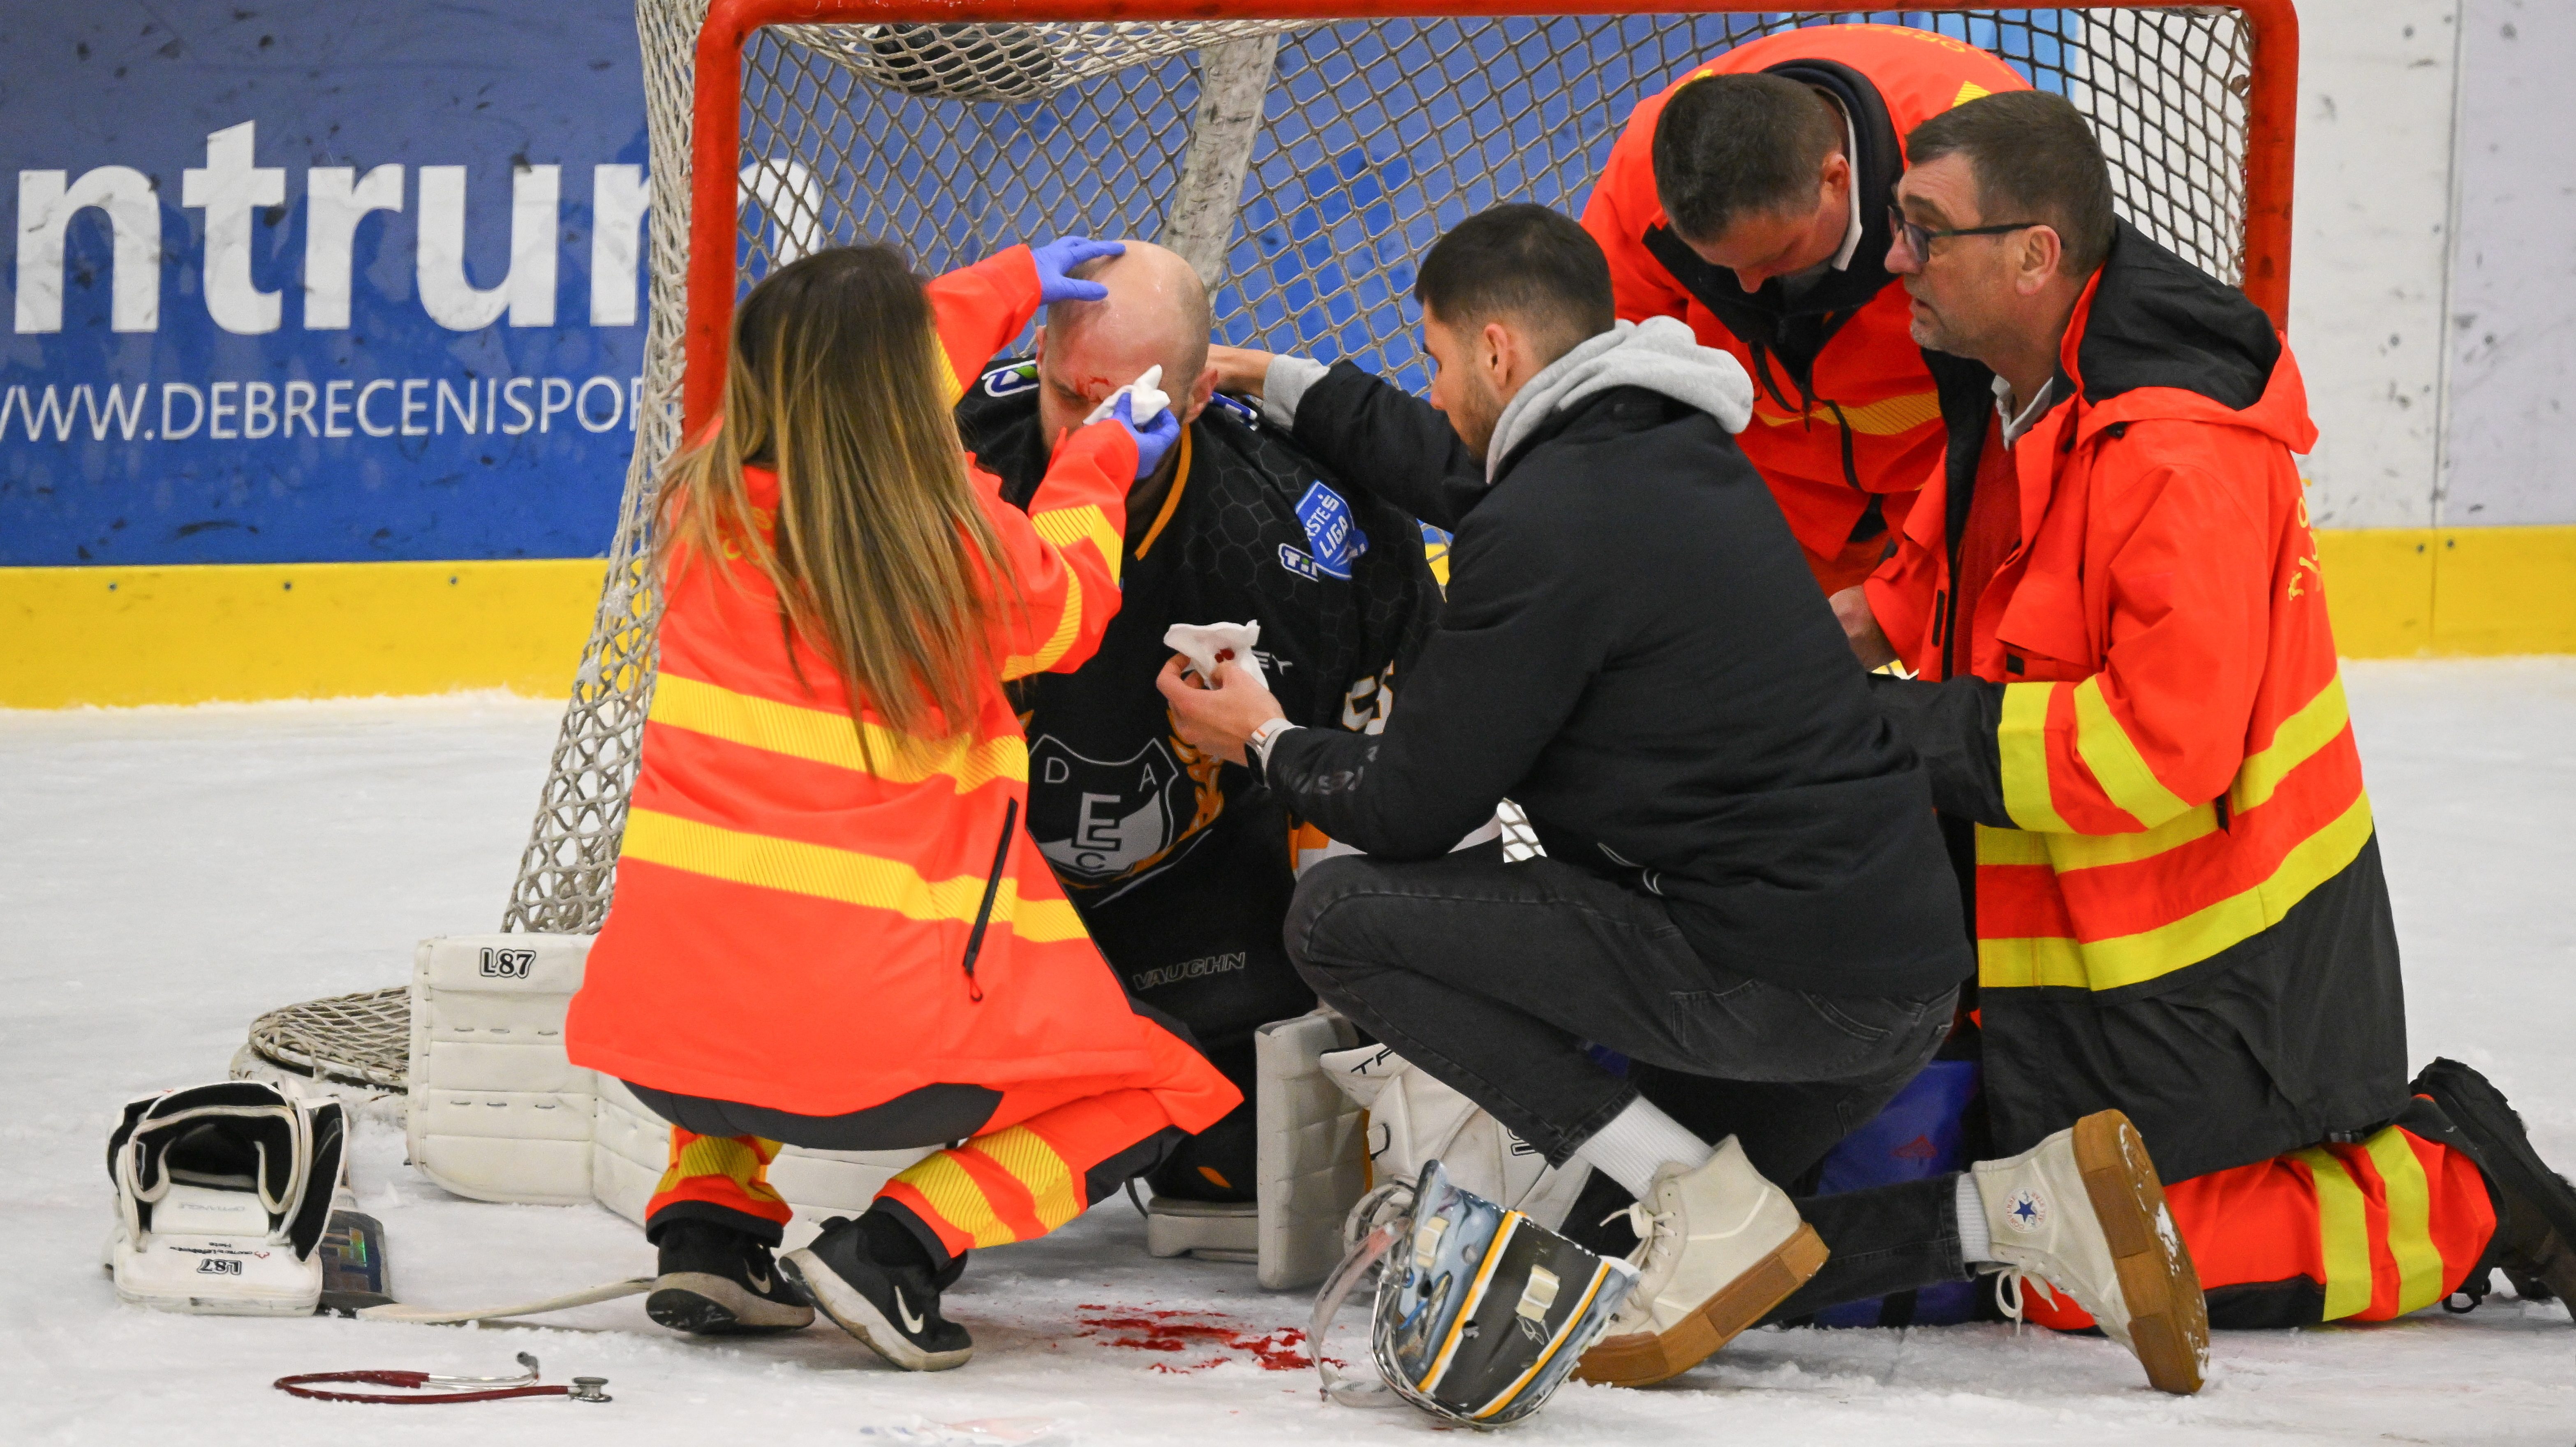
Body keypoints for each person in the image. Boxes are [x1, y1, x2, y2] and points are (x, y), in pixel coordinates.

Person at [1179, 202, 2207, 1394]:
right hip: (1899, 967)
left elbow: (1406, 809)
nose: (1439, 384)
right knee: (1636, 1250)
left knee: (1340, 920)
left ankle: (1696, 1202)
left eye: (1438, 357)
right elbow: (1464, 468)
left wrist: (1265, 737)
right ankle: (2015, 1212)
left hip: (1779, 976)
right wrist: (1283, 381)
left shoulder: (1547, 525)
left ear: (1501, 354)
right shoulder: (1655, 449)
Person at [1824, 89, 2576, 1332]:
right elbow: (1937, 583)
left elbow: (2156, 750)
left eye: (1921, 230)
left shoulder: (2178, 454)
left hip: (2224, 968)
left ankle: (2454, 1186)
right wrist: (1760, 659)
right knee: (2020, 1217)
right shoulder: (2014, 386)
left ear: (2034, 255)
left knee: (2072, 1272)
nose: (1893, 259)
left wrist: (1897, 735)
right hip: (2078, 933)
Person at [564, 236, 1240, 1373]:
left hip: (662, 1040)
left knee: (745, 935)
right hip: (880, 1067)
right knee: (1157, 1080)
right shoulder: (961, 553)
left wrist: (1016, 278)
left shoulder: (706, 507)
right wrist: (1102, 456)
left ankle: (710, 1223)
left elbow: (847, 363)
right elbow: (1072, 606)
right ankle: (899, 1248)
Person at [951, 240, 1438, 1206]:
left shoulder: (1301, 529)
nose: (1078, 435)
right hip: (977, 894)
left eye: (1117, 411)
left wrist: (1270, 743)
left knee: (1236, 1160)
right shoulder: (941, 456)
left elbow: (1390, 787)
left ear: (1192, 400)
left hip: (1189, 902)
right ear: (1038, 359)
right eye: (1063, 395)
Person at [1581, 23, 2028, 593]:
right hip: (1757, 493)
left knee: (1981, 642)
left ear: (1833, 179)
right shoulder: (1654, 170)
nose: (1743, 288)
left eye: (1775, 254)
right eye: (1716, 265)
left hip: (1952, 483)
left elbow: (2043, 397)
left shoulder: (1988, 182)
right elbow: (1600, 364)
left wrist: (1904, 604)